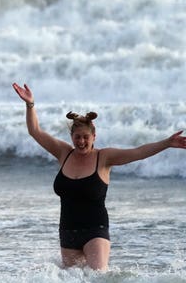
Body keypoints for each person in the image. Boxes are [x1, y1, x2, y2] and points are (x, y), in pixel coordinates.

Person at [12, 82, 186, 270]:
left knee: (99, 280)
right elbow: (35, 131)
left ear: (94, 136)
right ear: (72, 137)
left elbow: (138, 152)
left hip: (96, 231)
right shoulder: (63, 153)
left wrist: (167, 143)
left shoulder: (104, 158)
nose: (81, 141)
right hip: (68, 231)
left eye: (86, 137)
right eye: (77, 137)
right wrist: (30, 105)